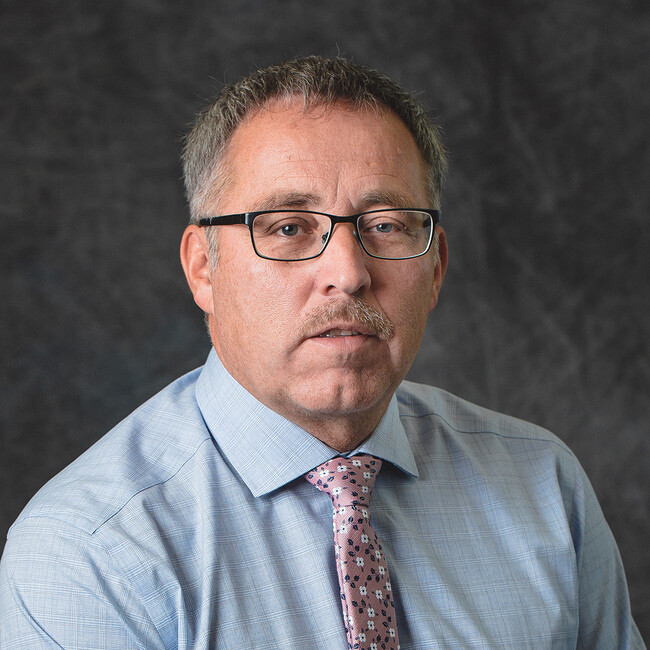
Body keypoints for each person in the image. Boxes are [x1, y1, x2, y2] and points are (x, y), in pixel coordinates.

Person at [0, 56, 644, 649]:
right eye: (287, 227)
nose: (348, 272)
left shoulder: (543, 487)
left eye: (385, 225)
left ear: (438, 266)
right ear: (203, 268)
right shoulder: (89, 551)